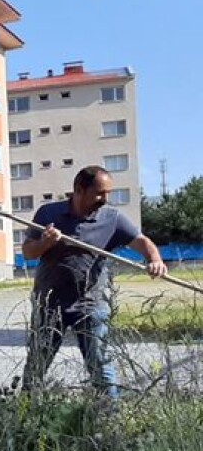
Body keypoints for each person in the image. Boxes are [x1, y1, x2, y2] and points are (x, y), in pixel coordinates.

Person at [20, 165, 167, 399]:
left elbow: (141, 241)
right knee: (36, 365)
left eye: (108, 193)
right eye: (100, 193)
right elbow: (28, 252)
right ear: (79, 189)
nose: (105, 198)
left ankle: (111, 416)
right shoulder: (48, 214)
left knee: (101, 366)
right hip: (49, 303)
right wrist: (46, 243)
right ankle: (24, 415)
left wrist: (154, 258)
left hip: (91, 305)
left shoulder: (112, 218)